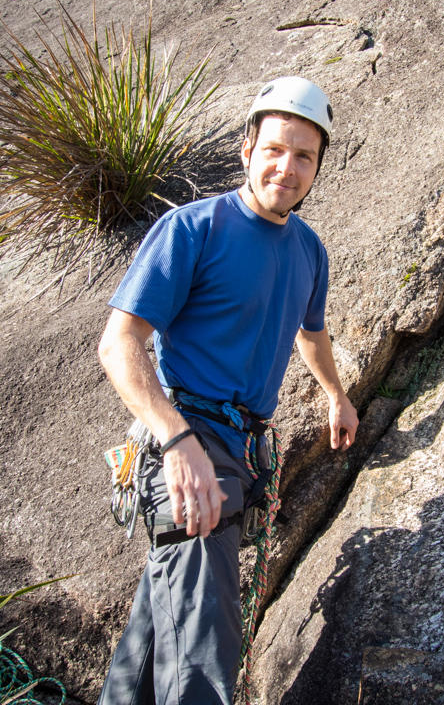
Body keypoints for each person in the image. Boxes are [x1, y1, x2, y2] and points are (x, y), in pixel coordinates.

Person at [96, 76, 359, 705]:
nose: (287, 168)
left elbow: (311, 335)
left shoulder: (310, 251)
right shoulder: (194, 229)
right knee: (202, 653)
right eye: (275, 149)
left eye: (304, 156)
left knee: (156, 638)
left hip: (238, 454)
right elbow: (119, 343)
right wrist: (178, 441)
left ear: (319, 167)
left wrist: (336, 394)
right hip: (189, 446)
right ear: (247, 151)